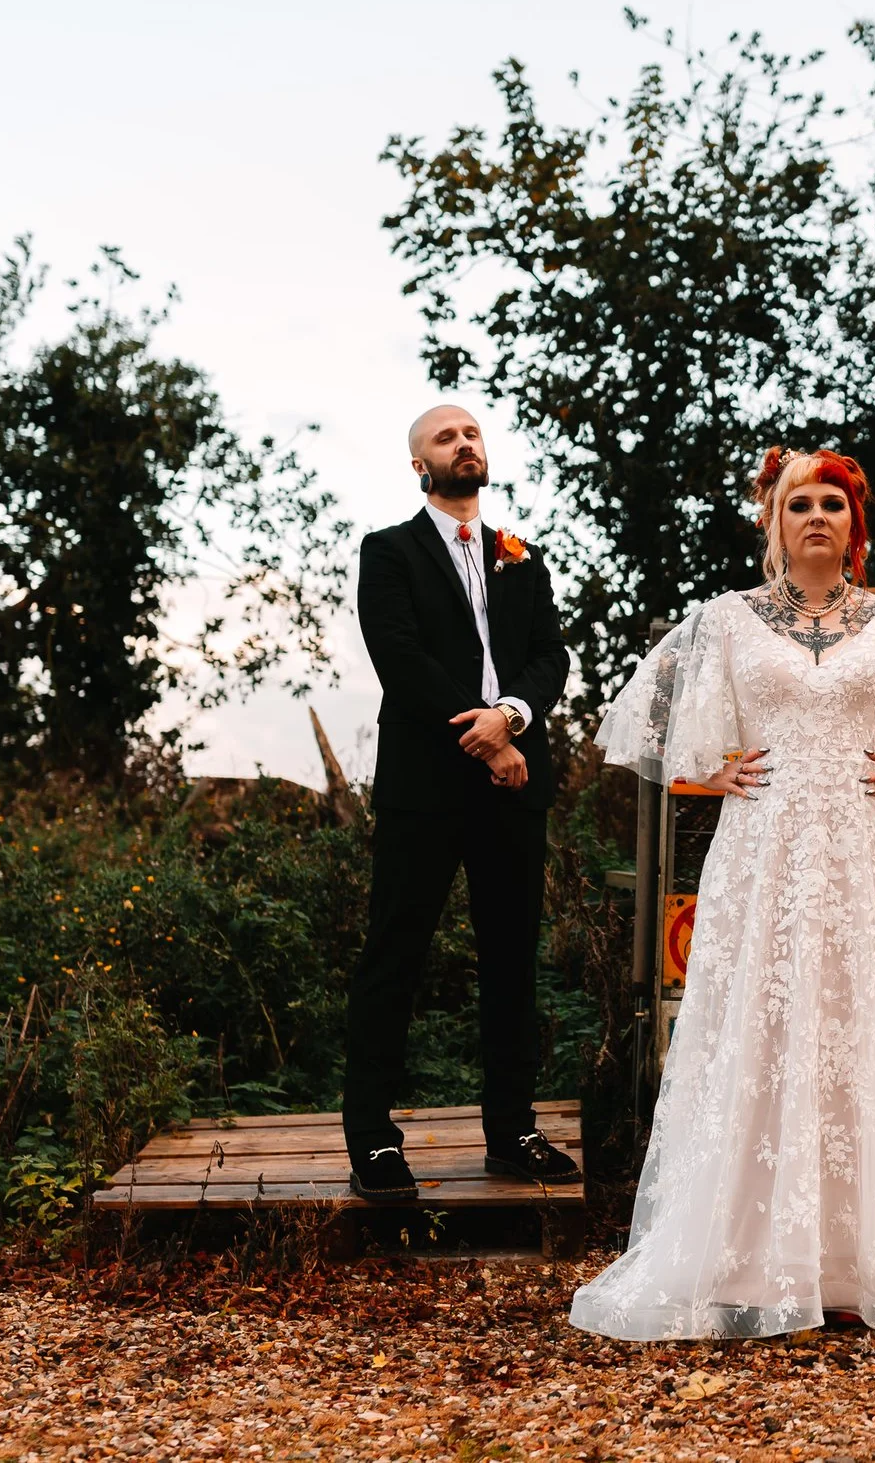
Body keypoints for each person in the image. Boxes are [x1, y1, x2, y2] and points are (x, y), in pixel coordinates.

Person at [568, 447, 875, 1339]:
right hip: (763, 857)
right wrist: (712, 772)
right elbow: (650, 720)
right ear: (773, 522)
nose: (815, 515)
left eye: (831, 502)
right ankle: (748, 1255)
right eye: (797, 503)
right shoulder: (725, 622)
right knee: (764, 1026)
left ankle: (863, 1259)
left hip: (865, 856)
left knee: (866, 1024)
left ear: (855, 522)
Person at [345, 403, 581, 1201]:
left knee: (512, 960)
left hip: (515, 784)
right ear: (421, 465)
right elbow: (401, 658)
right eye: (446, 437)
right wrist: (483, 734)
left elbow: (552, 656)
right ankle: (373, 1141)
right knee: (395, 956)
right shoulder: (389, 552)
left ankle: (512, 1132)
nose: (464, 443)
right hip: (427, 784)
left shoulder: (523, 557)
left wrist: (511, 717)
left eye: (472, 432)